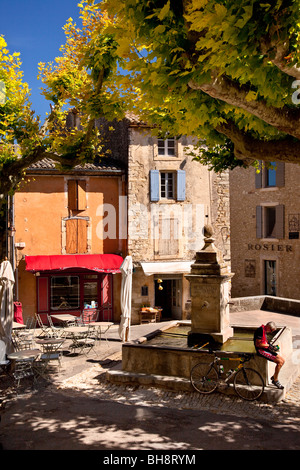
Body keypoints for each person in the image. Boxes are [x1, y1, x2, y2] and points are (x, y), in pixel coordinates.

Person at [253, 321, 285, 389]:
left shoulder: (264, 330)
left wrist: (271, 346)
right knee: (279, 362)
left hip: (266, 349)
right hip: (261, 350)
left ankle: (274, 376)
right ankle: (275, 380)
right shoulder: (260, 331)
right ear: (268, 327)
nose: (270, 332)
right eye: (271, 330)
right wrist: (269, 346)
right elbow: (258, 344)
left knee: (283, 360)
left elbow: (264, 342)